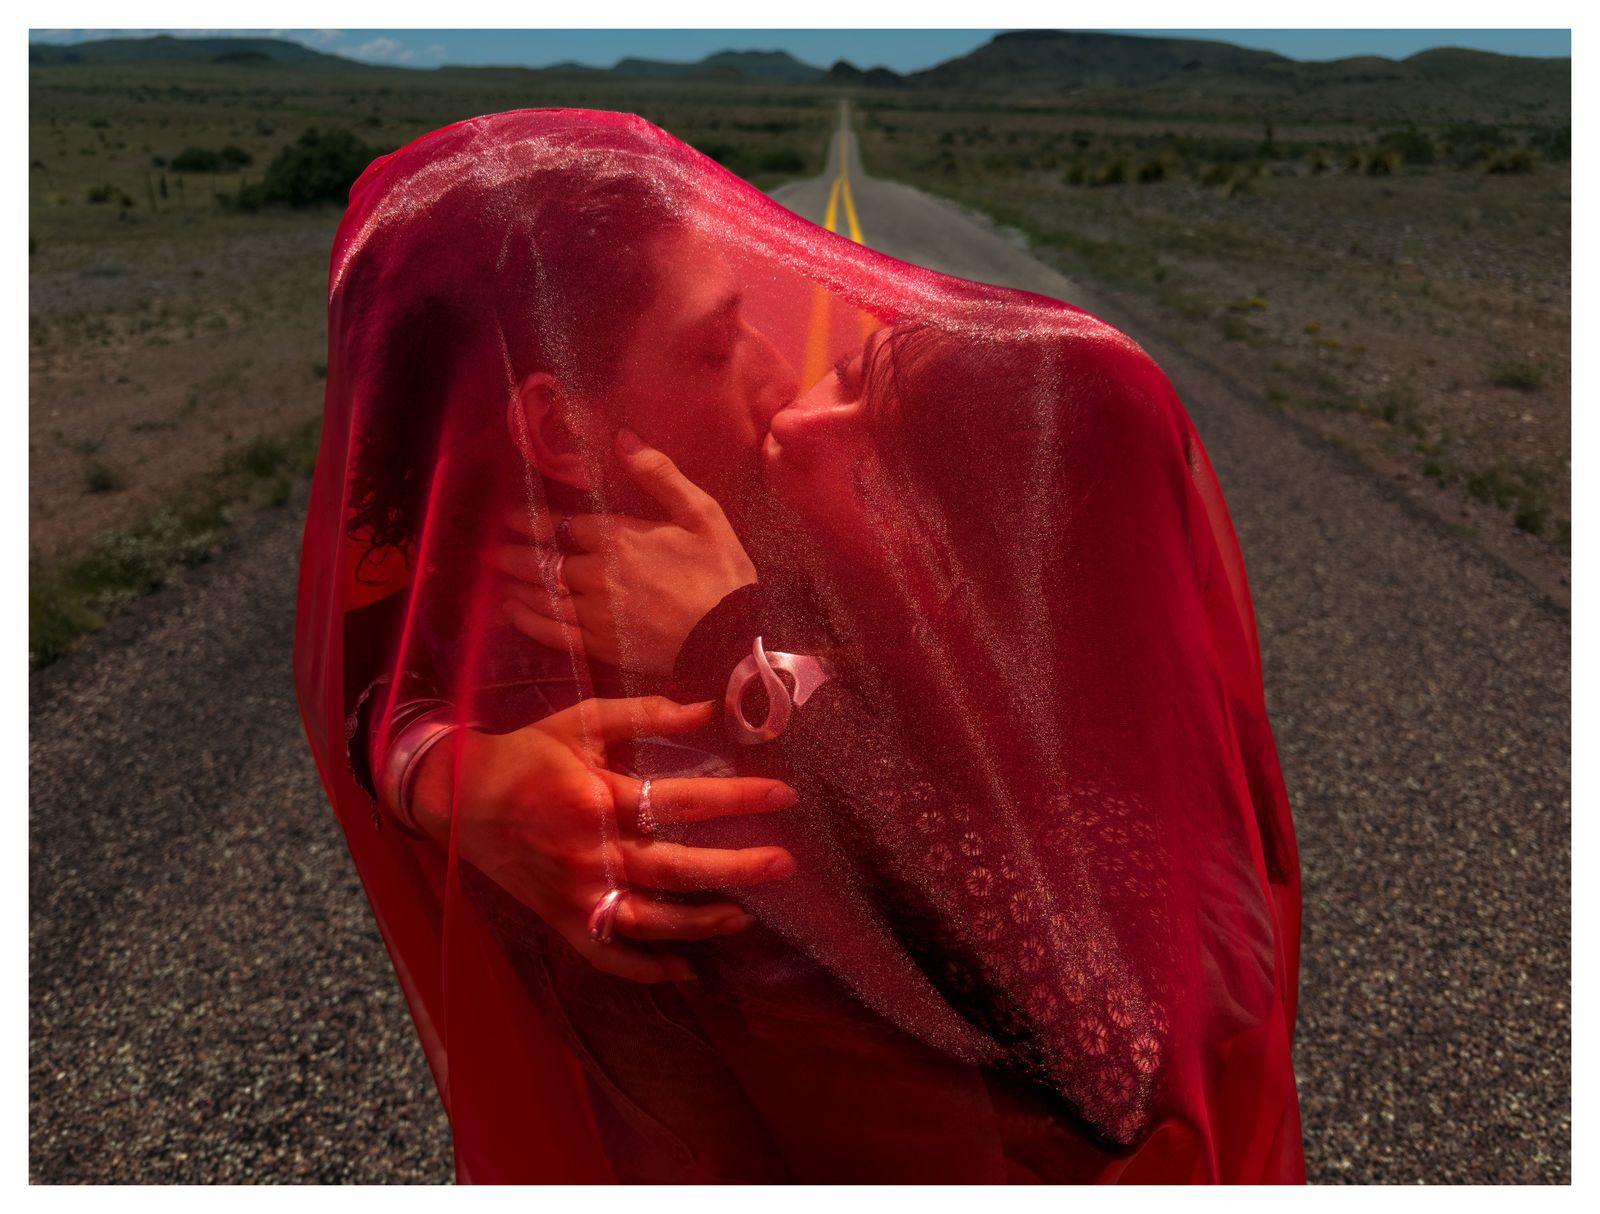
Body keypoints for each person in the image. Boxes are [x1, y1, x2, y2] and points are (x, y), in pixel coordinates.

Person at [296, 107, 1306, 1183]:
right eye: (717, 341)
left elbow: (375, 658)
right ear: (558, 429)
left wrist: (421, 759)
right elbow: (1073, 1073)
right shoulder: (651, 761)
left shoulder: (671, 596)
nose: (783, 380)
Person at [500, 319, 1307, 1181]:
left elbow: (1121, 1058)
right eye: (845, 376)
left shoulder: (1106, 728)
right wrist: (433, 768)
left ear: (984, 562)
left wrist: (741, 657)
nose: (801, 422)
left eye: (882, 470)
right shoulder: (874, 606)